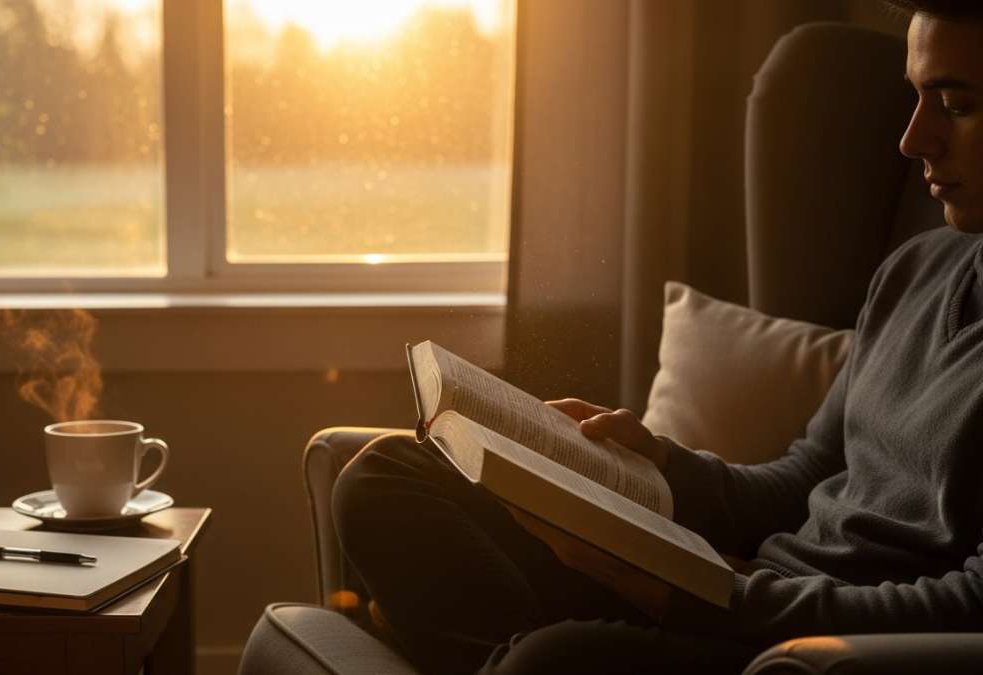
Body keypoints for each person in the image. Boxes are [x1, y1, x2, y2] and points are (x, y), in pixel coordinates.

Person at [331, 2, 983, 673]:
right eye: (915, 98)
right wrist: (657, 465)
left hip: (793, 644)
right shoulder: (916, 269)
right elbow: (805, 478)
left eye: (955, 105)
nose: (913, 139)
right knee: (384, 477)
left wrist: (710, 595)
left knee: (548, 662)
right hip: (730, 587)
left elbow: (966, 606)